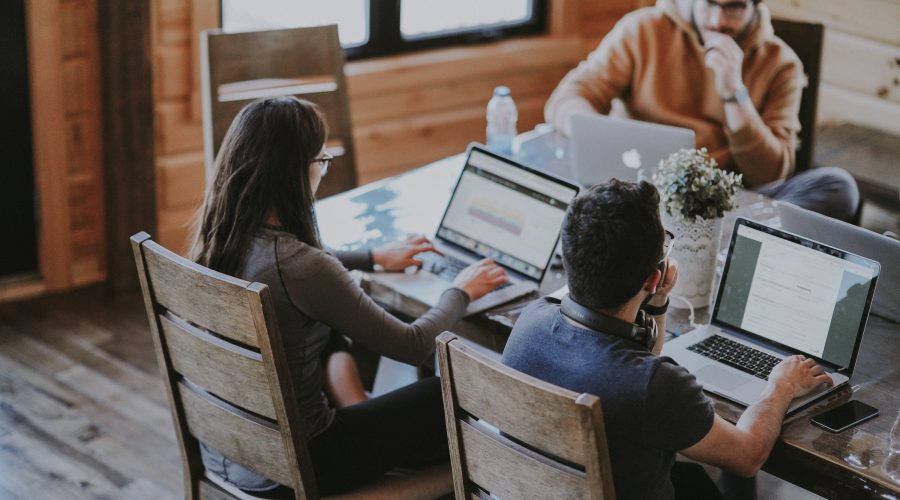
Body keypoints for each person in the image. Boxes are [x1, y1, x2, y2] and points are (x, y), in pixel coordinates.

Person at [190, 96, 508, 497]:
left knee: (328, 329)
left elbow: (299, 269)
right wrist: (461, 290)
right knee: (442, 395)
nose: (323, 171)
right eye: (321, 161)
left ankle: (364, 413)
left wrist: (372, 257)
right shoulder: (300, 267)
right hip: (301, 464)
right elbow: (411, 345)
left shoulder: (221, 237)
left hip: (227, 449)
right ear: (295, 172)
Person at [501, 180, 833, 499]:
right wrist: (780, 387)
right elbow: (748, 456)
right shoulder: (654, 386)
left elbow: (637, 361)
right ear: (654, 276)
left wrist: (656, 303)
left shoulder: (530, 321)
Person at [545, 0, 859, 222]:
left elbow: (771, 173)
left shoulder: (781, 63)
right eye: (709, 2)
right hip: (639, 190)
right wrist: (598, 137)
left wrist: (734, 93)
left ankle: (714, 242)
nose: (718, 20)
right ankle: (711, 245)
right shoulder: (642, 30)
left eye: (734, 5)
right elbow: (568, 98)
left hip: (725, 204)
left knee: (838, 187)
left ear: (755, 4)